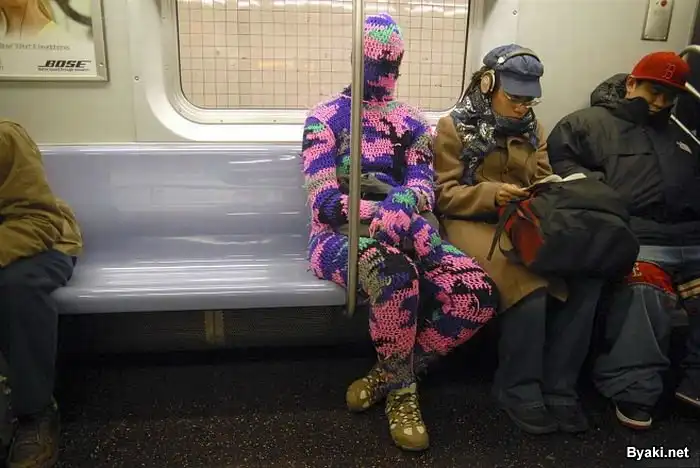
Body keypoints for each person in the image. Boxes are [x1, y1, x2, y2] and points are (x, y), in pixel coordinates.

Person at [301, 13, 499, 451]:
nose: (383, 74)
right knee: (395, 275)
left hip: (407, 226)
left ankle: (392, 373)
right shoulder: (325, 119)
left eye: (392, 64)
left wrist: (404, 202)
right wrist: (380, 211)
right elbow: (324, 202)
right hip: (337, 236)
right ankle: (403, 394)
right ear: (356, 60)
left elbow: (423, 184)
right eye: (376, 63)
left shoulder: (412, 121)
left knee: (477, 293)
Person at [434, 44, 603, 435]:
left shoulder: (533, 129)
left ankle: (560, 388)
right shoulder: (453, 127)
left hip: (522, 218)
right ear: (488, 84)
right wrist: (491, 194)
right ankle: (517, 388)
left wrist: (552, 191)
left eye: (529, 100)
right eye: (514, 98)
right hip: (470, 220)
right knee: (529, 285)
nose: (522, 107)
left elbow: (542, 177)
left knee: (583, 279)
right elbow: (444, 194)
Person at [547, 51, 700, 429]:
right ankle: (635, 389)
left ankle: (694, 378)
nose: (660, 102)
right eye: (653, 91)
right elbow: (571, 177)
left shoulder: (683, 137)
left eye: (669, 96)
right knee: (646, 289)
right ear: (631, 83)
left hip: (691, 237)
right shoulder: (585, 125)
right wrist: (616, 205)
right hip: (634, 236)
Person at [0, 119, 82, 467]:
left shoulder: (5, 137)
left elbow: (38, 222)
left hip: (38, 244)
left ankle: (35, 411)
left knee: (17, 286)